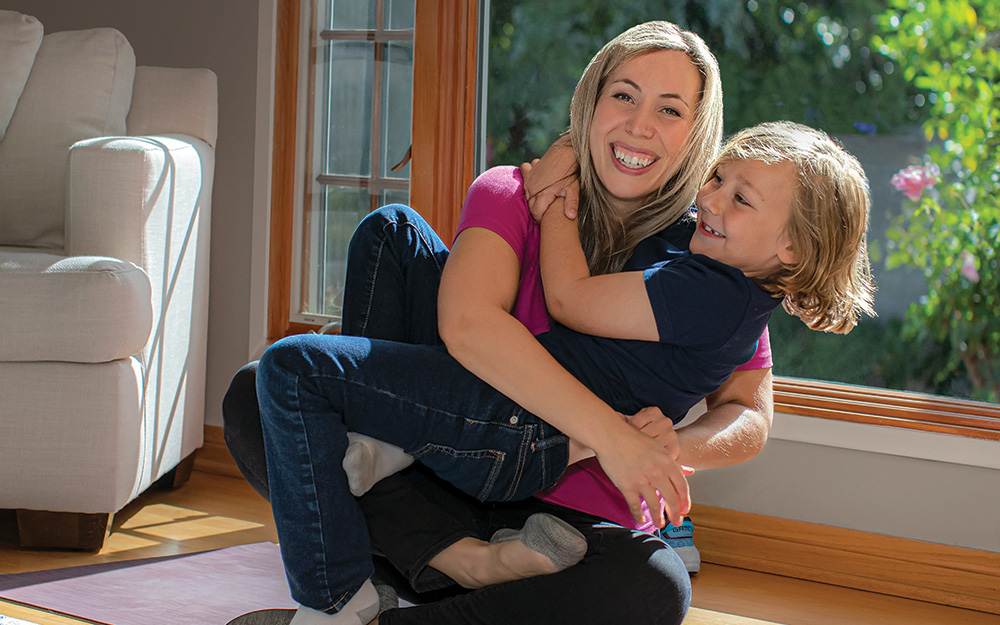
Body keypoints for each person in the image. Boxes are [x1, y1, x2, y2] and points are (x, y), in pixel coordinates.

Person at [225, 22, 784, 625]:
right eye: (623, 95)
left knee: (654, 587)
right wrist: (613, 435)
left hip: (567, 530)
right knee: (255, 394)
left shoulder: (709, 258)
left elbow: (750, 416)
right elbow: (467, 325)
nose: (640, 125)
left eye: (670, 110)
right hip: (446, 477)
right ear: (590, 103)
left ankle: (405, 592)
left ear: (697, 134)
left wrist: (669, 445)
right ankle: (450, 557)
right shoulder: (511, 192)